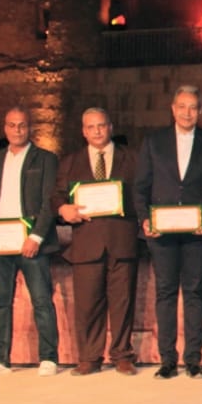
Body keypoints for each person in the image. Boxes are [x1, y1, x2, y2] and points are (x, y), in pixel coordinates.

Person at [134, 85, 202, 379]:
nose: (187, 113)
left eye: (193, 107)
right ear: (173, 109)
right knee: (166, 293)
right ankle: (168, 360)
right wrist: (144, 220)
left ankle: (193, 359)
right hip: (161, 233)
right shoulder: (153, 142)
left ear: (200, 111)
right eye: (182, 107)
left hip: (198, 232)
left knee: (195, 292)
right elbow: (140, 187)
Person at [0, 105, 61, 377]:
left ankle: (49, 357)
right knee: (0, 301)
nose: (17, 130)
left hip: (32, 243)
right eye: (12, 125)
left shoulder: (45, 159)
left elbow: (49, 202)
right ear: (5, 128)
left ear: (30, 127)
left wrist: (36, 236)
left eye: (22, 125)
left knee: (41, 300)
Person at [52, 108, 139, 376]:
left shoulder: (132, 158)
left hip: (121, 239)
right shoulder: (70, 162)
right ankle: (89, 358)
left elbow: (143, 194)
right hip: (86, 242)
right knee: (87, 304)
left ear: (110, 127)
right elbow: (56, 195)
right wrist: (63, 209)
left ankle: (122, 355)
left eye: (101, 125)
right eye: (91, 127)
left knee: (123, 302)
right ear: (83, 131)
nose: (97, 131)